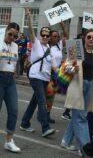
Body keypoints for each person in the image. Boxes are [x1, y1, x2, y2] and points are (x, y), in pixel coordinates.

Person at [61, 29, 93, 152]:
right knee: (81, 117)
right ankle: (85, 148)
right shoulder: (76, 49)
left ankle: (66, 141)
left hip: (90, 86)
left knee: (79, 116)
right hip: (77, 86)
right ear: (84, 37)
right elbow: (65, 67)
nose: (91, 39)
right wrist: (73, 69)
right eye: (89, 37)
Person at [20, 9, 55, 137]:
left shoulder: (49, 48)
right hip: (35, 76)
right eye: (43, 35)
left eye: (47, 35)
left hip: (45, 78)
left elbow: (52, 66)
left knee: (35, 101)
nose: (45, 37)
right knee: (42, 101)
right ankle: (45, 127)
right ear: (40, 35)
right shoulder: (36, 43)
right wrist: (29, 18)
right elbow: (31, 31)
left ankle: (24, 123)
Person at [0, 22, 21, 152]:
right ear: (6, 31)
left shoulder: (15, 46)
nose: (12, 38)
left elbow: (14, 63)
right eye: (10, 34)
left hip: (10, 80)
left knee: (14, 110)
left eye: (15, 36)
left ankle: (9, 140)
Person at [46, 22, 69, 123]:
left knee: (51, 95)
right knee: (48, 94)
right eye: (55, 36)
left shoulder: (59, 45)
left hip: (56, 74)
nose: (57, 38)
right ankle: (44, 114)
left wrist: (63, 26)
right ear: (50, 37)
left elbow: (67, 37)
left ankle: (46, 114)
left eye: (58, 36)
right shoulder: (46, 47)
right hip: (48, 73)